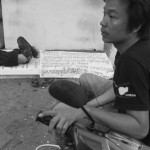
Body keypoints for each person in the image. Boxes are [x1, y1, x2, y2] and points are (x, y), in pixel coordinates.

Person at [39, 0, 150, 146]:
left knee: (60, 113)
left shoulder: (132, 61)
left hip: (140, 137)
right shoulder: (131, 45)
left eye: (112, 16)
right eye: (104, 13)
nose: (102, 22)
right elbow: (120, 87)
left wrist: (85, 112)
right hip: (135, 101)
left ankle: (71, 143)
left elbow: (140, 128)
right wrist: (88, 107)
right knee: (85, 78)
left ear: (136, 25)